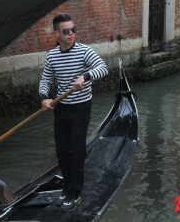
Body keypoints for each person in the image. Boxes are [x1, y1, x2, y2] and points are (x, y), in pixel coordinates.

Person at [39, 13, 108, 212]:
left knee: (76, 151)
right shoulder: (52, 56)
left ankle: (76, 192)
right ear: (57, 34)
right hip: (61, 109)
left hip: (81, 108)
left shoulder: (84, 51)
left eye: (73, 30)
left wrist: (85, 76)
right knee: (62, 151)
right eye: (66, 31)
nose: (71, 34)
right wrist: (44, 97)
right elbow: (45, 80)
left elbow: (103, 68)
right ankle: (67, 187)